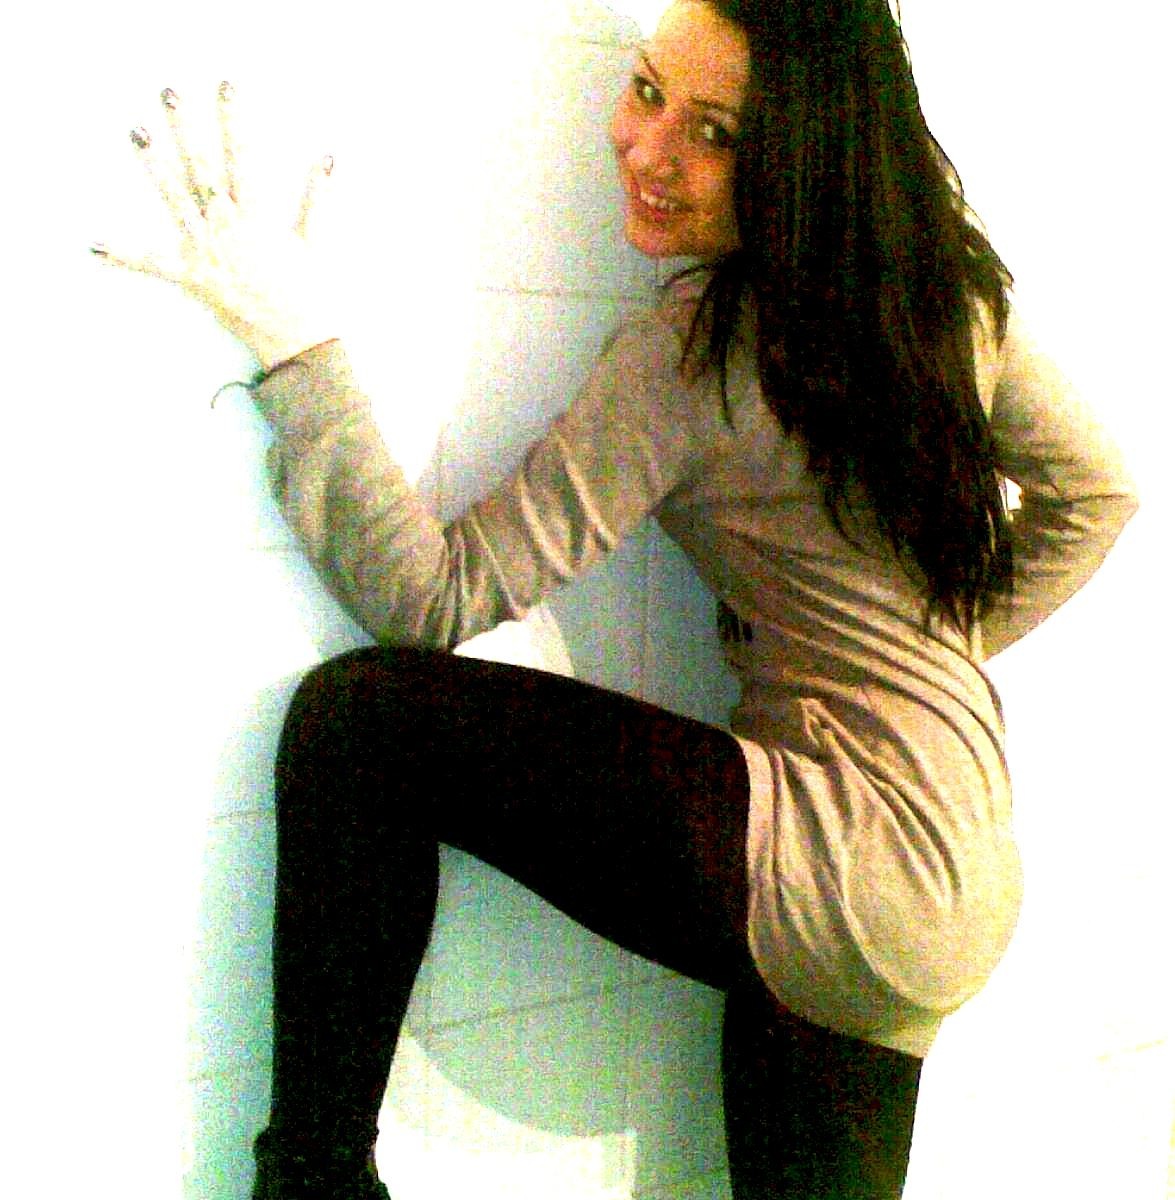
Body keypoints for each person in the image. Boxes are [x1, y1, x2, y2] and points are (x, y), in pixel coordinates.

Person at [93, 2, 1139, 1197]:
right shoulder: (942, 298)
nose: (645, 147)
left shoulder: (694, 352)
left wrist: (292, 344)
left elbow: (428, 598)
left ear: (800, 155)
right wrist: (935, 650)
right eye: (645, 90)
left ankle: (311, 1183)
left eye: (714, 133)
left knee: (360, 723)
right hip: (959, 866)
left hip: (834, 860)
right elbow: (1096, 493)